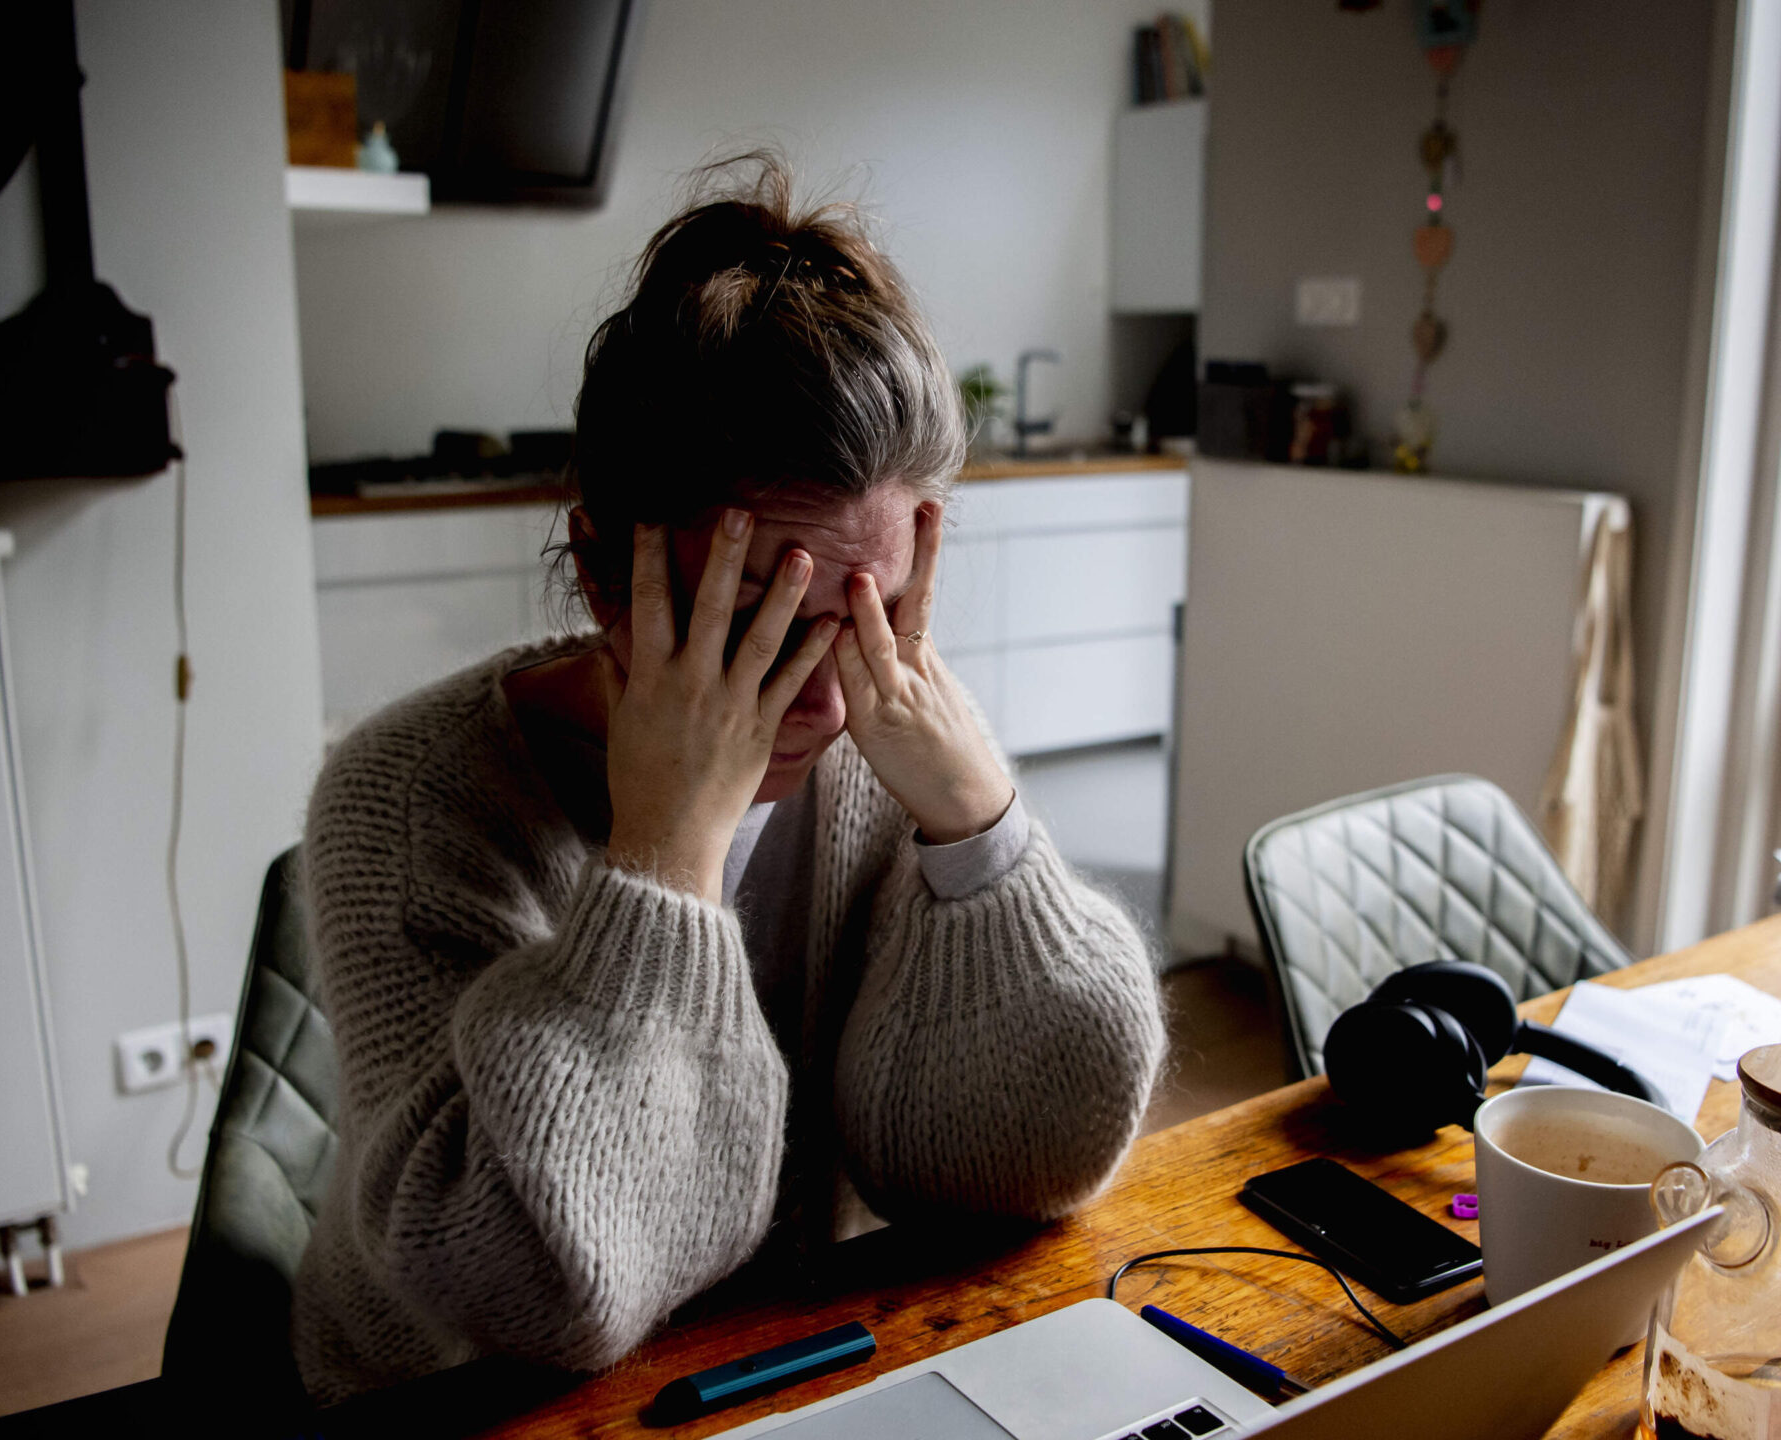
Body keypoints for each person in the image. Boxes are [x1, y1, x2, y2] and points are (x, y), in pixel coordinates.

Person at [289, 159, 1168, 1405]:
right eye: (753, 623)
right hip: (451, 1403)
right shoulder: (406, 800)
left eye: (872, 613)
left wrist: (982, 836)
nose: (824, 699)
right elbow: (529, 1292)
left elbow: (1022, 1162)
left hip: (775, 1367)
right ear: (602, 576)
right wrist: (663, 857)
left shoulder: (893, 734)